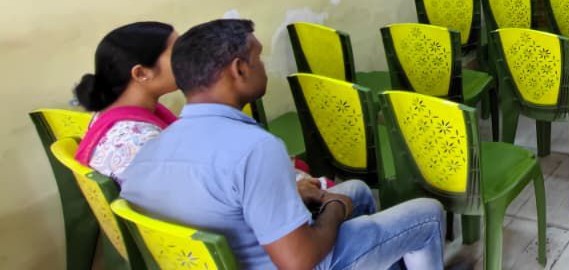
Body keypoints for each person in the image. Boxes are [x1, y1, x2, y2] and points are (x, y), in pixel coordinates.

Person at [121, 20, 445, 270]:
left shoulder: (150, 150)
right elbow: (299, 261)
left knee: (357, 190)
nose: (263, 67)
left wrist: (314, 197)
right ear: (239, 69)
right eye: (258, 58)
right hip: (288, 260)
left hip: (238, 254)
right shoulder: (255, 148)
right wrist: (333, 208)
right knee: (427, 213)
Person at [72, 22, 179, 180]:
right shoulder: (143, 142)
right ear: (141, 73)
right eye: (178, 53)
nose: (191, 60)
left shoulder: (108, 112)